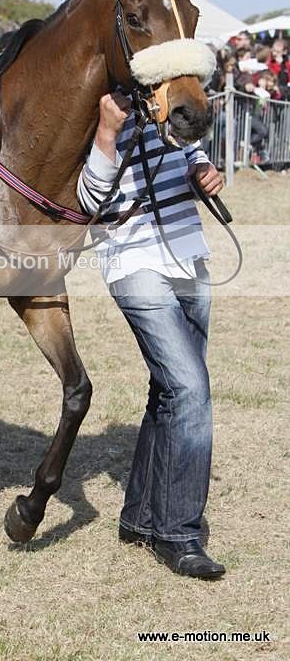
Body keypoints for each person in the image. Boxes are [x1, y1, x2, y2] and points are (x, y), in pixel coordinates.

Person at [77, 91, 226, 580]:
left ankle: (140, 518)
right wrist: (105, 130)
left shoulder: (170, 102)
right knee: (190, 389)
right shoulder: (101, 108)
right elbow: (89, 199)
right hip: (133, 262)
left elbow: (194, 152)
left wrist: (204, 171)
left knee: (171, 390)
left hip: (188, 253)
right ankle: (179, 534)